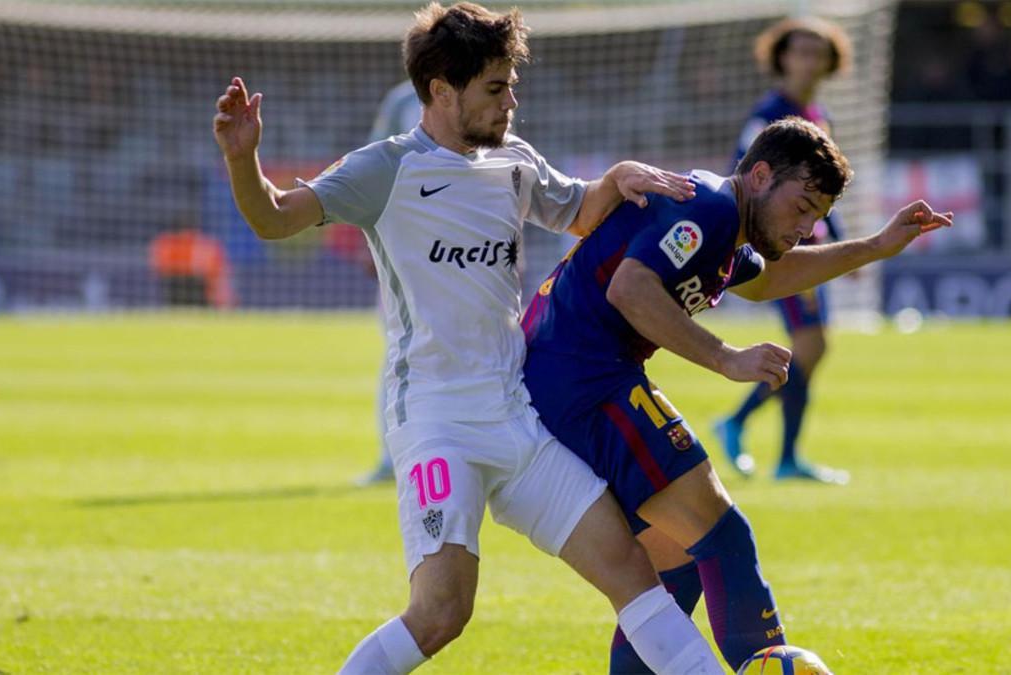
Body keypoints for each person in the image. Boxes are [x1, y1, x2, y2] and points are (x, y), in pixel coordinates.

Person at [211, 3, 724, 674]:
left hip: (515, 415)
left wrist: (619, 174)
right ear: (441, 92)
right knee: (442, 612)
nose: (511, 101)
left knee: (631, 567)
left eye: (511, 84)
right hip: (436, 420)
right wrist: (243, 160)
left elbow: (576, 208)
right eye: (494, 87)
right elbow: (274, 219)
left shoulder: (513, 162)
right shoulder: (383, 169)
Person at [521, 117, 951, 672]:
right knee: (724, 535)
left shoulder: (725, 223)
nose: (805, 227)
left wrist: (874, 246)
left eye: (816, 218)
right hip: (583, 380)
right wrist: (726, 357)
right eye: (801, 208)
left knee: (675, 558)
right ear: (761, 174)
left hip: (568, 375)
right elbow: (629, 288)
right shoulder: (711, 208)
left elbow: (770, 279)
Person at [713, 16, 853, 483]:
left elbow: (822, 191)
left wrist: (840, 237)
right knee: (811, 345)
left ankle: (782, 452)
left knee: (813, 347)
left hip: (808, 243)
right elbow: (744, 173)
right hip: (781, 246)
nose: (810, 61)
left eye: (819, 52)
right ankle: (747, 429)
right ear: (782, 56)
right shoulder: (770, 114)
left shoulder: (819, 116)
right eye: (801, 50)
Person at [354, 80, 423, 486]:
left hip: (467, 252)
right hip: (403, 246)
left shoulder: (481, 94)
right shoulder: (401, 99)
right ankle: (391, 458)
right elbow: (372, 165)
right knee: (399, 351)